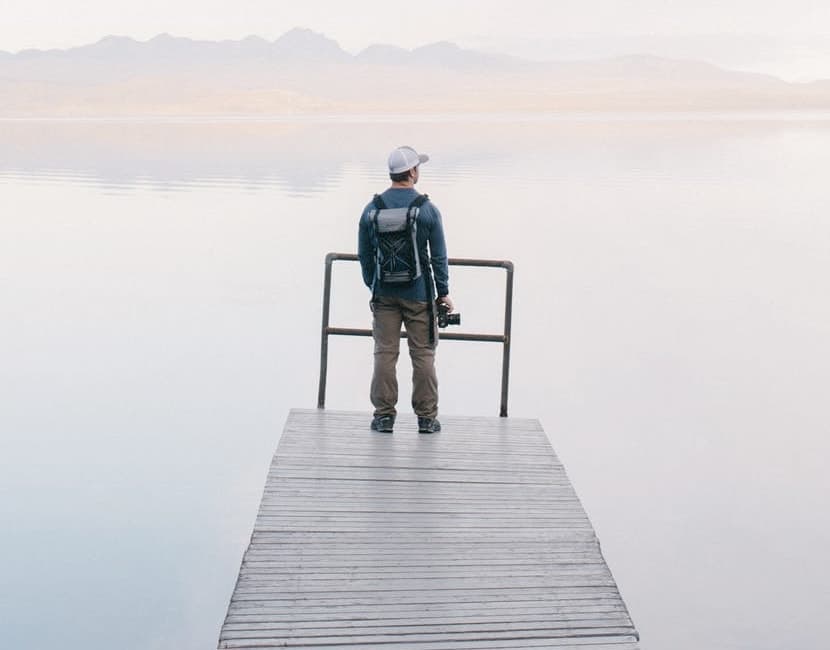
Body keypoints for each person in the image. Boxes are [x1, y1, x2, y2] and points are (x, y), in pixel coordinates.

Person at [357, 145, 454, 434]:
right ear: (412, 172)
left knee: (385, 353)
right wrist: (443, 292)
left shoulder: (372, 208)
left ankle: (384, 416)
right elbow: (438, 256)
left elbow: (364, 254)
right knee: (422, 355)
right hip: (419, 294)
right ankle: (426, 418)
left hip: (384, 295)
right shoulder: (426, 209)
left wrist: (374, 283)